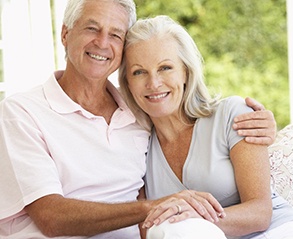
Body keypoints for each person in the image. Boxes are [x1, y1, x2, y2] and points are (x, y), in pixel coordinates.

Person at [0, 0, 277, 238]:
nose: (102, 43)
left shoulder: (138, 112)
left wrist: (262, 123)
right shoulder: (21, 112)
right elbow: (51, 217)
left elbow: (183, 105)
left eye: (116, 35)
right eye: (91, 28)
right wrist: (153, 208)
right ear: (65, 34)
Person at [119, 15, 293, 239]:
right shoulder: (137, 147)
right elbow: (146, 227)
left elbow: (260, 213)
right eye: (139, 72)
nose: (154, 83)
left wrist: (197, 218)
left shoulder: (233, 115)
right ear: (128, 82)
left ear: (186, 72)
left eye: (165, 68)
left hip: (279, 232)